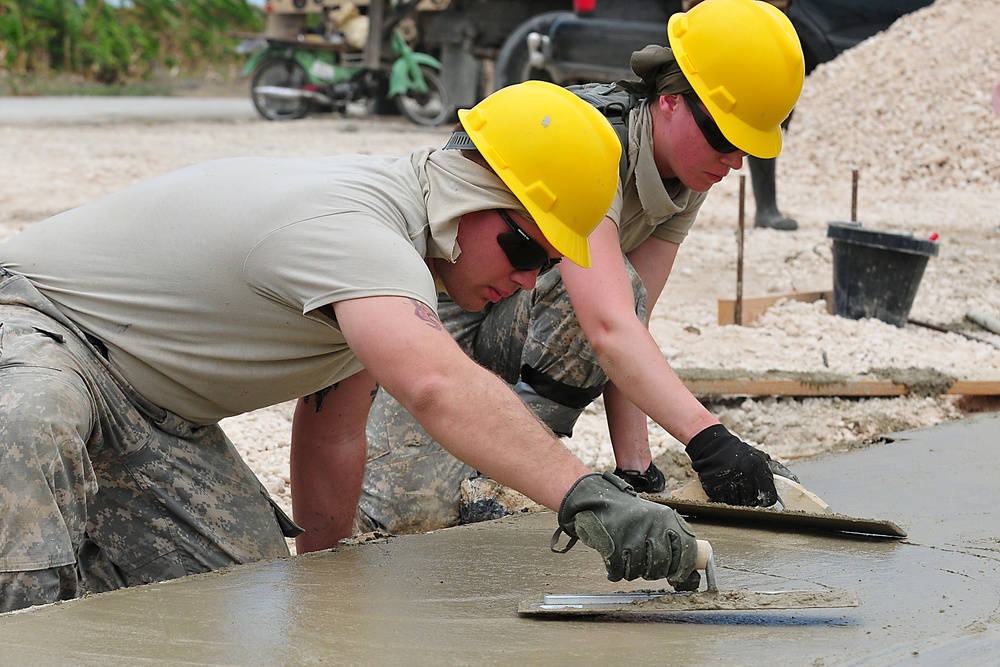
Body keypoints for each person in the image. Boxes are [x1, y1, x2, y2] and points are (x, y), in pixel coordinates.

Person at [0, 80, 703, 613]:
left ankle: (70, 553)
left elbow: (332, 433)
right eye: (523, 246)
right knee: (31, 418)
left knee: (237, 588)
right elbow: (435, 385)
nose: (526, 278)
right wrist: (584, 494)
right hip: (34, 323)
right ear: (469, 195)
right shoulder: (362, 234)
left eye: (546, 265)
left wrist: (327, 590)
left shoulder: (400, 269)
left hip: (152, 411)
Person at [359, 0, 806, 534]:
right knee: (404, 523)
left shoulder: (688, 174)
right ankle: (497, 464)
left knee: (617, 289)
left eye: (747, 149)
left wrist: (636, 469)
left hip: (509, 319)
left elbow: (631, 325)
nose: (735, 160)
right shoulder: (592, 141)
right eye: (725, 138)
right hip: (435, 327)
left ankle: (497, 474)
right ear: (670, 100)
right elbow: (608, 325)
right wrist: (711, 440)